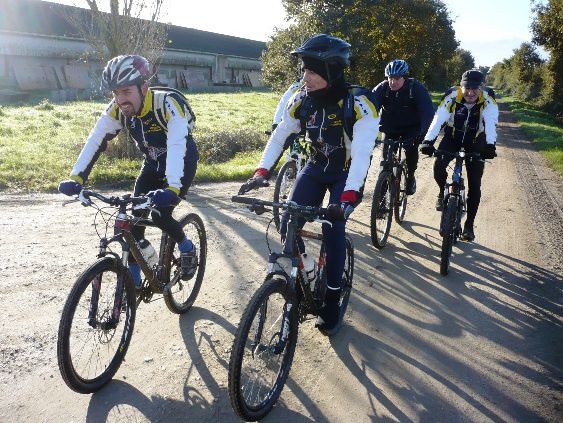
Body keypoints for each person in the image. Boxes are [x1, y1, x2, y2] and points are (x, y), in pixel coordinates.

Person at [239, 34, 379, 335]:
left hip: (345, 172)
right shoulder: (301, 100)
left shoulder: (359, 103)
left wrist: (349, 196)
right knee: (288, 219)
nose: (305, 76)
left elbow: (363, 153)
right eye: (303, 69)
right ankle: (307, 267)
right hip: (316, 167)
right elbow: (280, 135)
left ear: (332, 71)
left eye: (312, 71)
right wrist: (261, 172)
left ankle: (331, 296)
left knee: (332, 227)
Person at [58, 54, 199, 283]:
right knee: (132, 226)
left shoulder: (167, 105)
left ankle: (186, 247)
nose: (120, 100)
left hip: (181, 162)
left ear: (143, 88)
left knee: (160, 215)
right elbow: (96, 139)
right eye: (115, 93)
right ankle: (132, 285)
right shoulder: (117, 109)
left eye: (126, 92)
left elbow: (176, 146)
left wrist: (172, 187)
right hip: (153, 165)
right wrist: (77, 177)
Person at [420, 69, 498, 241]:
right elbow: (438, 119)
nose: (470, 92)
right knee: (438, 166)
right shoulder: (452, 96)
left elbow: (491, 123)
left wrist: (490, 145)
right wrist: (428, 141)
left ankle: (469, 225)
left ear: (481, 87)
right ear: (461, 86)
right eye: (466, 88)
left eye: (474, 88)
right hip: (452, 137)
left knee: (475, 184)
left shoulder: (488, 100)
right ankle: (442, 192)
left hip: (476, 140)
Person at [371, 59, 434, 195]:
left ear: (404, 77)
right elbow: (369, 109)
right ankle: (381, 201)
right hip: (390, 128)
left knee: (411, 152)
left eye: (397, 78)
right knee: (385, 161)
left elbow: (427, 112)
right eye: (390, 78)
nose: (392, 82)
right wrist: (367, 132)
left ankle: (410, 176)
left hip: (411, 128)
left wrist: (423, 133)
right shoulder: (382, 88)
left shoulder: (416, 88)